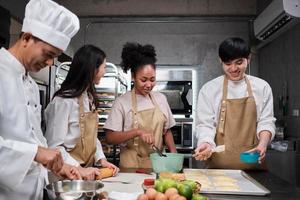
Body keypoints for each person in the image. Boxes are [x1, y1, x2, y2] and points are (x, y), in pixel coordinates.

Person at [0, 0, 81, 199]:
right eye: (48, 54)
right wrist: (35, 153)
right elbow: (35, 149)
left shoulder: (32, 86)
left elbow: (35, 140)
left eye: (56, 56)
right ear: (27, 38)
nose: (50, 63)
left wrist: (59, 167)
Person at [193, 37, 276, 170]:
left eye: (239, 62)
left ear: (248, 59)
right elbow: (205, 125)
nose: (233, 68)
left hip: (252, 167)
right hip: (218, 169)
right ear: (221, 61)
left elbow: (266, 121)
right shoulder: (209, 89)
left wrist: (263, 144)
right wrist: (206, 143)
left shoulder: (262, 87)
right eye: (228, 63)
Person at [45, 45, 119, 180]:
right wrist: (78, 168)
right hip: (65, 175)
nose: (104, 71)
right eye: (103, 67)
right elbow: (54, 147)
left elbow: (90, 137)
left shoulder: (88, 98)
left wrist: (101, 159)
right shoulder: (64, 101)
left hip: (86, 173)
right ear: (92, 69)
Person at [104, 42, 177, 168]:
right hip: (130, 166)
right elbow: (110, 137)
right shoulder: (122, 102)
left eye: (152, 79)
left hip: (158, 164)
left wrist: (174, 156)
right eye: (143, 80)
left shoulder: (161, 99)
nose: (148, 85)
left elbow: (167, 131)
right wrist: (137, 132)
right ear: (133, 77)